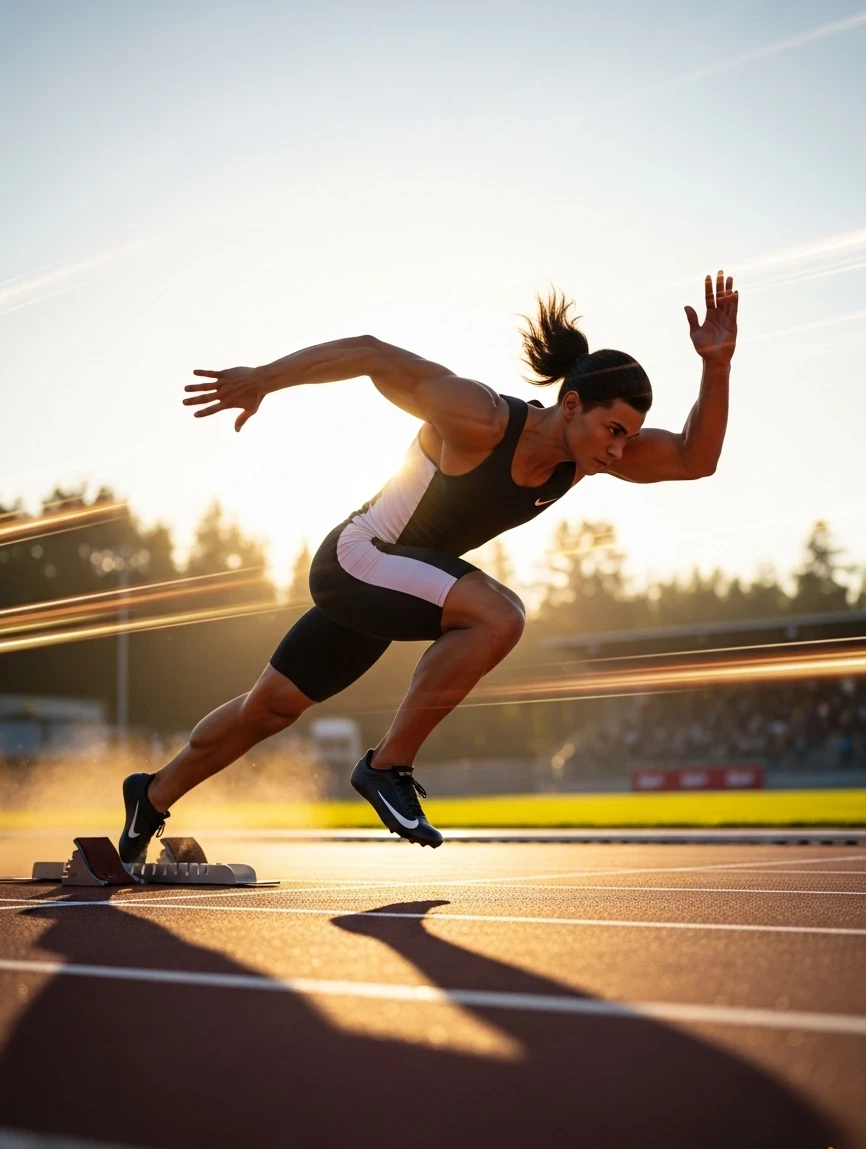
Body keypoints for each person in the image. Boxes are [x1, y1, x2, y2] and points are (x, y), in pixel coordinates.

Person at [119, 272, 738, 855]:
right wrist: (263, 378)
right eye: (613, 429)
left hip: (389, 588)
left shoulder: (586, 458)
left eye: (628, 436)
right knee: (500, 618)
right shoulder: (481, 419)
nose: (619, 449)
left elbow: (693, 458)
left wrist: (716, 366)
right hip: (358, 557)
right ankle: (387, 767)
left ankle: (150, 796)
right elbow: (370, 353)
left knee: (269, 709)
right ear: (571, 405)